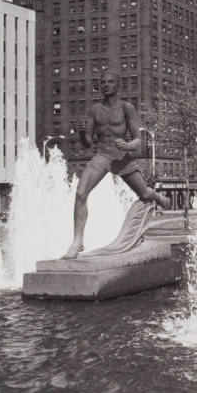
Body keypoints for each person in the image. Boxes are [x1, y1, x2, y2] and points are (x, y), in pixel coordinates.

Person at [62, 71, 172, 259]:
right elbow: (88, 143)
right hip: (103, 156)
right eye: (103, 82)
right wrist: (81, 134)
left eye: (110, 82)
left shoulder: (126, 107)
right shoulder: (94, 109)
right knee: (80, 193)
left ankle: (156, 195)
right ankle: (77, 241)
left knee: (144, 194)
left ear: (117, 86)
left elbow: (138, 139)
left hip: (122, 157)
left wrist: (128, 145)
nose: (106, 85)